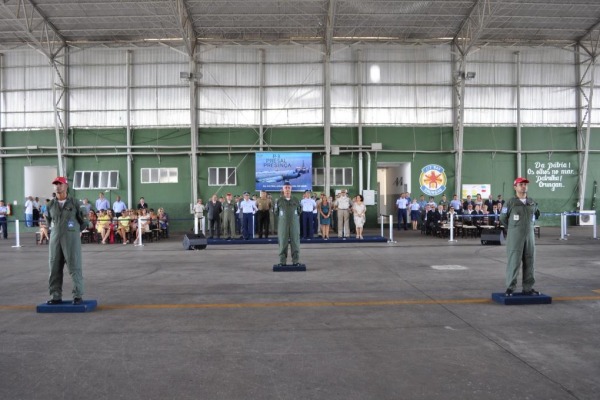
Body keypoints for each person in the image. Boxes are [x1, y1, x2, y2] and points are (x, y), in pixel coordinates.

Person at [46, 176, 85, 305]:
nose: (58, 186)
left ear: (66, 186)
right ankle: (55, 296)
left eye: (60, 184)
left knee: (74, 266)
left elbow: (84, 221)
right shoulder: (50, 204)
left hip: (71, 239)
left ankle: (77, 295)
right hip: (55, 239)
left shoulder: (75, 202)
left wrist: (74, 232)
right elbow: (49, 221)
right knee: (54, 267)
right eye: (55, 184)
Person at [500, 177, 541, 297]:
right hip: (515, 236)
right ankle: (510, 288)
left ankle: (528, 288)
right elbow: (503, 218)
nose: (524, 186)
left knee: (530, 261)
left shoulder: (532, 202)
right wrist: (513, 229)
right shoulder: (510, 202)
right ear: (515, 187)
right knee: (514, 261)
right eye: (521, 184)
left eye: (525, 185)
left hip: (529, 236)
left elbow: (536, 215)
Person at [275, 182, 301, 266]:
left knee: (295, 242)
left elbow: (299, 211)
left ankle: (295, 261)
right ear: (283, 189)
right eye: (285, 188)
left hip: (294, 225)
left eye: (288, 188)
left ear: (291, 189)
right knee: (282, 242)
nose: (287, 190)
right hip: (283, 225)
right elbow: (276, 212)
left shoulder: (296, 200)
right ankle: (282, 262)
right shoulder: (279, 201)